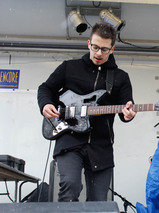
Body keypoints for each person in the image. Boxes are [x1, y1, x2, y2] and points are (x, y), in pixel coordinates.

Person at [37, 22, 136, 202]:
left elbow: (125, 108)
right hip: (69, 138)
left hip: (101, 144)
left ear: (112, 49)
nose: (99, 53)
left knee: (99, 200)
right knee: (70, 186)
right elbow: (45, 89)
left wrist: (128, 114)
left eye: (104, 49)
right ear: (88, 43)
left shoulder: (120, 77)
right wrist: (45, 104)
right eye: (95, 47)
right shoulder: (69, 67)